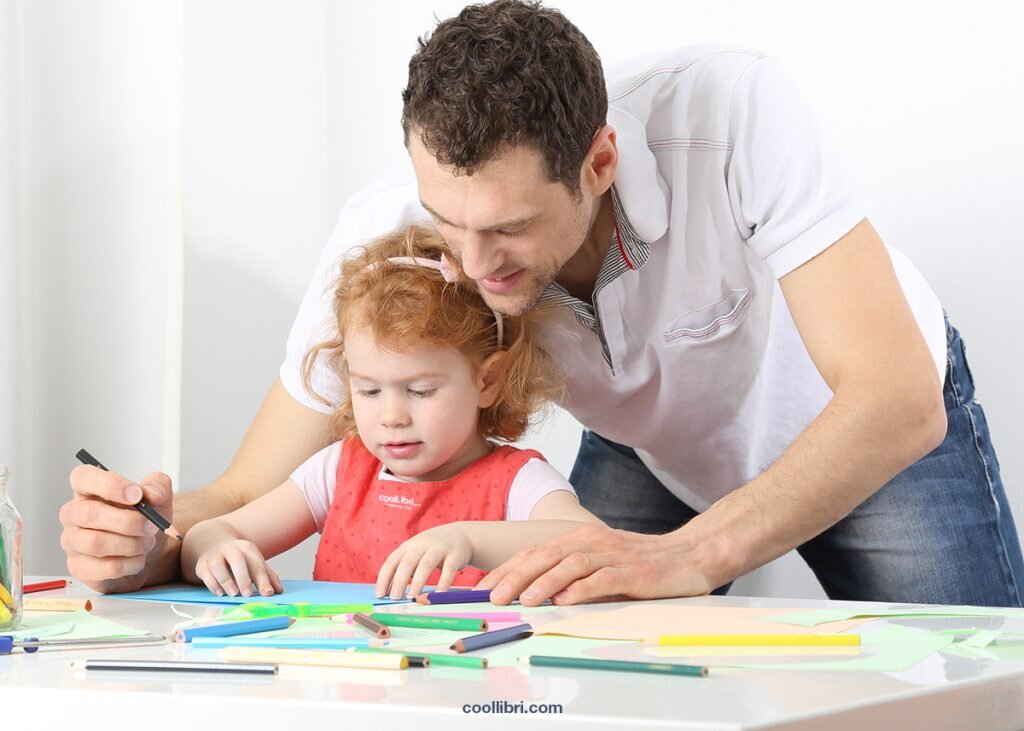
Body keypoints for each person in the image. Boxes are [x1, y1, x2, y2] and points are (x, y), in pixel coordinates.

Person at [62, 0, 1023, 607]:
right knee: (594, 681)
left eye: (511, 230)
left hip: (868, 423)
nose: (475, 264)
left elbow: (895, 395)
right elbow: (239, 495)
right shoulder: (392, 231)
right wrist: (145, 540)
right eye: (449, 221)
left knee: (976, 686)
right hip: (656, 446)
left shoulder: (734, 113)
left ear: (599, 163)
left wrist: (686, 556)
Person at [178, 224, 601, 599]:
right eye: (369, 390)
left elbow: (593, 541)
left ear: (486, 381)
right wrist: (216, 548)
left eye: (419, 390)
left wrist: (468, 539)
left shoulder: (517, 482)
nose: (392, 416)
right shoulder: (337, 472)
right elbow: (209, 534)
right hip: (351, 681)